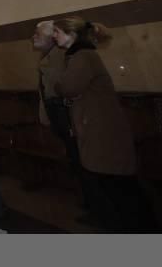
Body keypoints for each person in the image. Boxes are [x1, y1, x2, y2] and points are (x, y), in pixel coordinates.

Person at [52, 16, 157, 232]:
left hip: (103, 134)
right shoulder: (80, 56)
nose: (54, 36)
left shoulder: (82, 57)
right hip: (100, 131)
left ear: (72, 35)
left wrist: (59, 86)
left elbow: (67, 87)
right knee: (117, 187)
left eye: (57, 32)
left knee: (119, 189)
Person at [32, 21, 87, 209]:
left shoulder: (61, 56)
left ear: (52, 37)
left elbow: (62, 87)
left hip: (67, 116)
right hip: (58, 114)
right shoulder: (48, 56)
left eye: (38, 34)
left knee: (81, 160)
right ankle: (89, 200)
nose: (34, 37)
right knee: (75, 159)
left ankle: (94, 203)